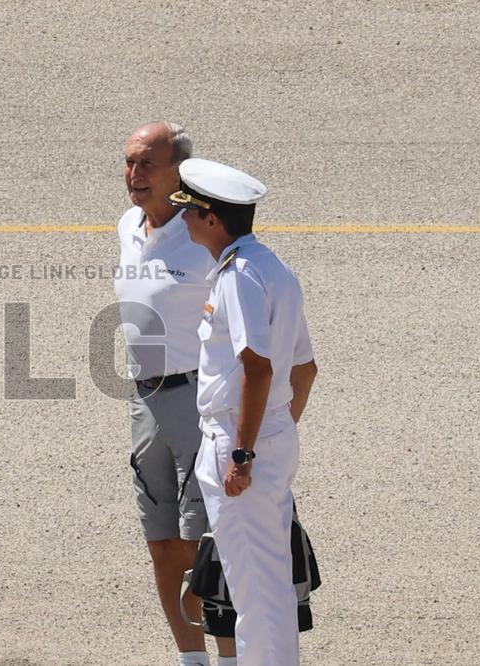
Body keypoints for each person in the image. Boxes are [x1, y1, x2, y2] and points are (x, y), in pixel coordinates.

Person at [169, 158, 318, 665]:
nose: (182, 219)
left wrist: (245, 451)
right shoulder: (273, 268)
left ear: (212, 218)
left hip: (239, 442)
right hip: (264, 435)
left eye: (188, 211)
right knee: (264, 580)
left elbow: (257, 368)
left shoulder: (238, 276)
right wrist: (274, 433)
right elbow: (305, 371)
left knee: (254, 591)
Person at [115, 123, 236, 666]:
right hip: (145, 400)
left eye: (147, 164)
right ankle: (192, 660)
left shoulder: (205, 232)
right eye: (129, 163)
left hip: (198, 402)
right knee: (162, 542)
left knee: (207, 547)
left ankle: (233, 657)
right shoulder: (127, 226)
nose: (134, 175)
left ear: (179, 173)